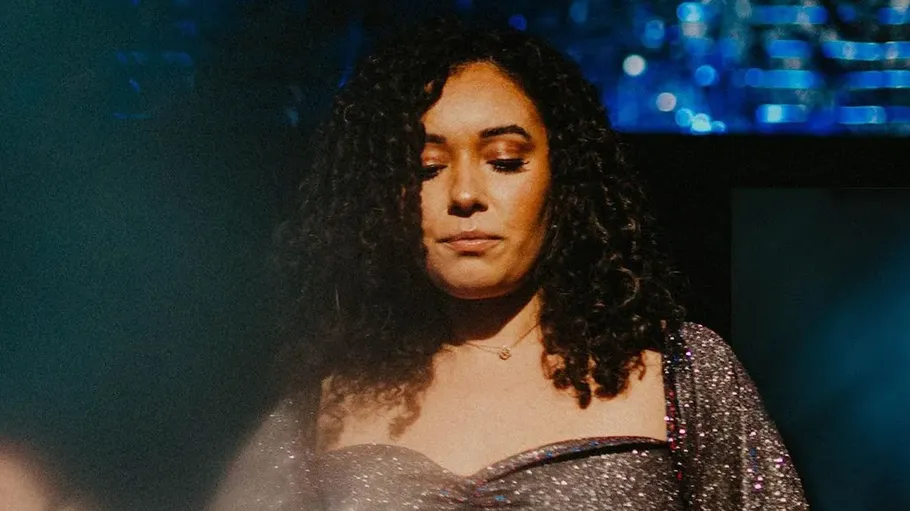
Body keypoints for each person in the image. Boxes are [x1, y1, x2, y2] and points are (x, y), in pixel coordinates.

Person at [208, 16, 807, 510]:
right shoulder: (325, 403)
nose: (465, 194)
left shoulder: (678, 372)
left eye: (504, 160)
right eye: (426, 167)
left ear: (563, 179)